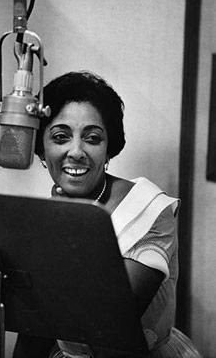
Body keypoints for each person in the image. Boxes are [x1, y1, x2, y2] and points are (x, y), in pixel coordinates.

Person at [13, 71, 202, 358]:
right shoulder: (41, 217)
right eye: (61, 137)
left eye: (92, 138)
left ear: (108, 149)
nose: (76, 151)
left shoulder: (149, 209)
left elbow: (108, 318)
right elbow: (34, 333)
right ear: (41, 149)